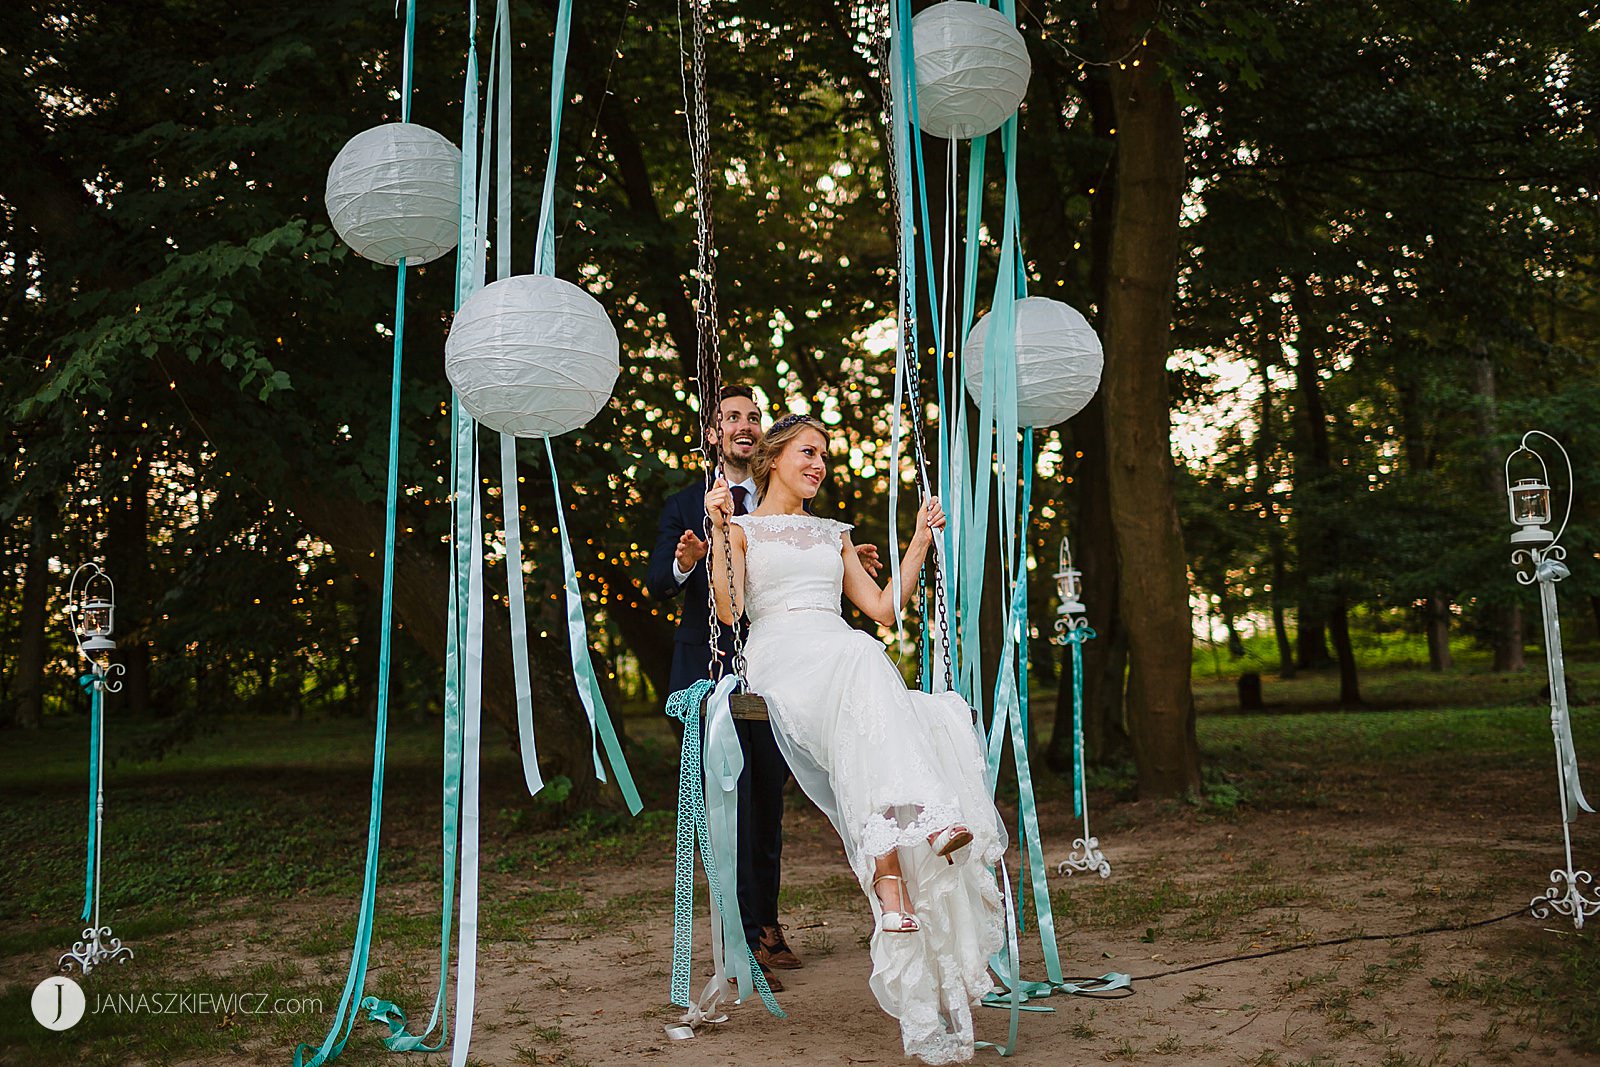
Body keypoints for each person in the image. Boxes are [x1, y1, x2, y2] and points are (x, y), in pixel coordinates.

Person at [704, 412, 1006, 1065]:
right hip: (781, 657)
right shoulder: (744, 527)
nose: (818, 464)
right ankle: (930, 822)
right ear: (777, 456)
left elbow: (882, 609)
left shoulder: (835, 533)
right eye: (808, 452)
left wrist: (921, 540)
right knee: (866, 664)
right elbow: (728, 612)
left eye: (824, 455)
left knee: (870, 682)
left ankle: (893, 892)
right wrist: (719, 527)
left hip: (843, 657)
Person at [646, 386, 883, 990]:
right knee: (729, 805)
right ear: (713, 431)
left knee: (768, 803)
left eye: (754, 416)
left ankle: (766, 927)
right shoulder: (688, 502)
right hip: (712, 670)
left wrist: (837, 560)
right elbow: (660, 581)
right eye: (732, 417)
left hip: (782, 669)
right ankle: (737, 939)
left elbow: (795, 565)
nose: (745, 425)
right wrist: (690, 558)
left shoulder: (796, 509)